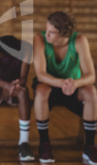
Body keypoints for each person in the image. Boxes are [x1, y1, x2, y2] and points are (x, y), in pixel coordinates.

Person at [33, 11, 97, 164]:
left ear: (63, 34)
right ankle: (44, 144)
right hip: (50, 84)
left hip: (71, 87)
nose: (46, 34)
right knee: (41, 90)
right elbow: (41, 74)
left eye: (51, 32)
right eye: (46, 30)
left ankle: (89, 146)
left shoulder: (80, 40)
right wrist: (62, 83)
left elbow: (91, 75)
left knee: (91, 92)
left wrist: (74, 83)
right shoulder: (40, 39)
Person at [0, 35, 34, 161]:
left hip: (15, 85)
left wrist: (15, 85)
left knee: (23, 92)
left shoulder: (27, 49)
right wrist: (7, 86)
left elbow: (23, 77)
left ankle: (24, 143)